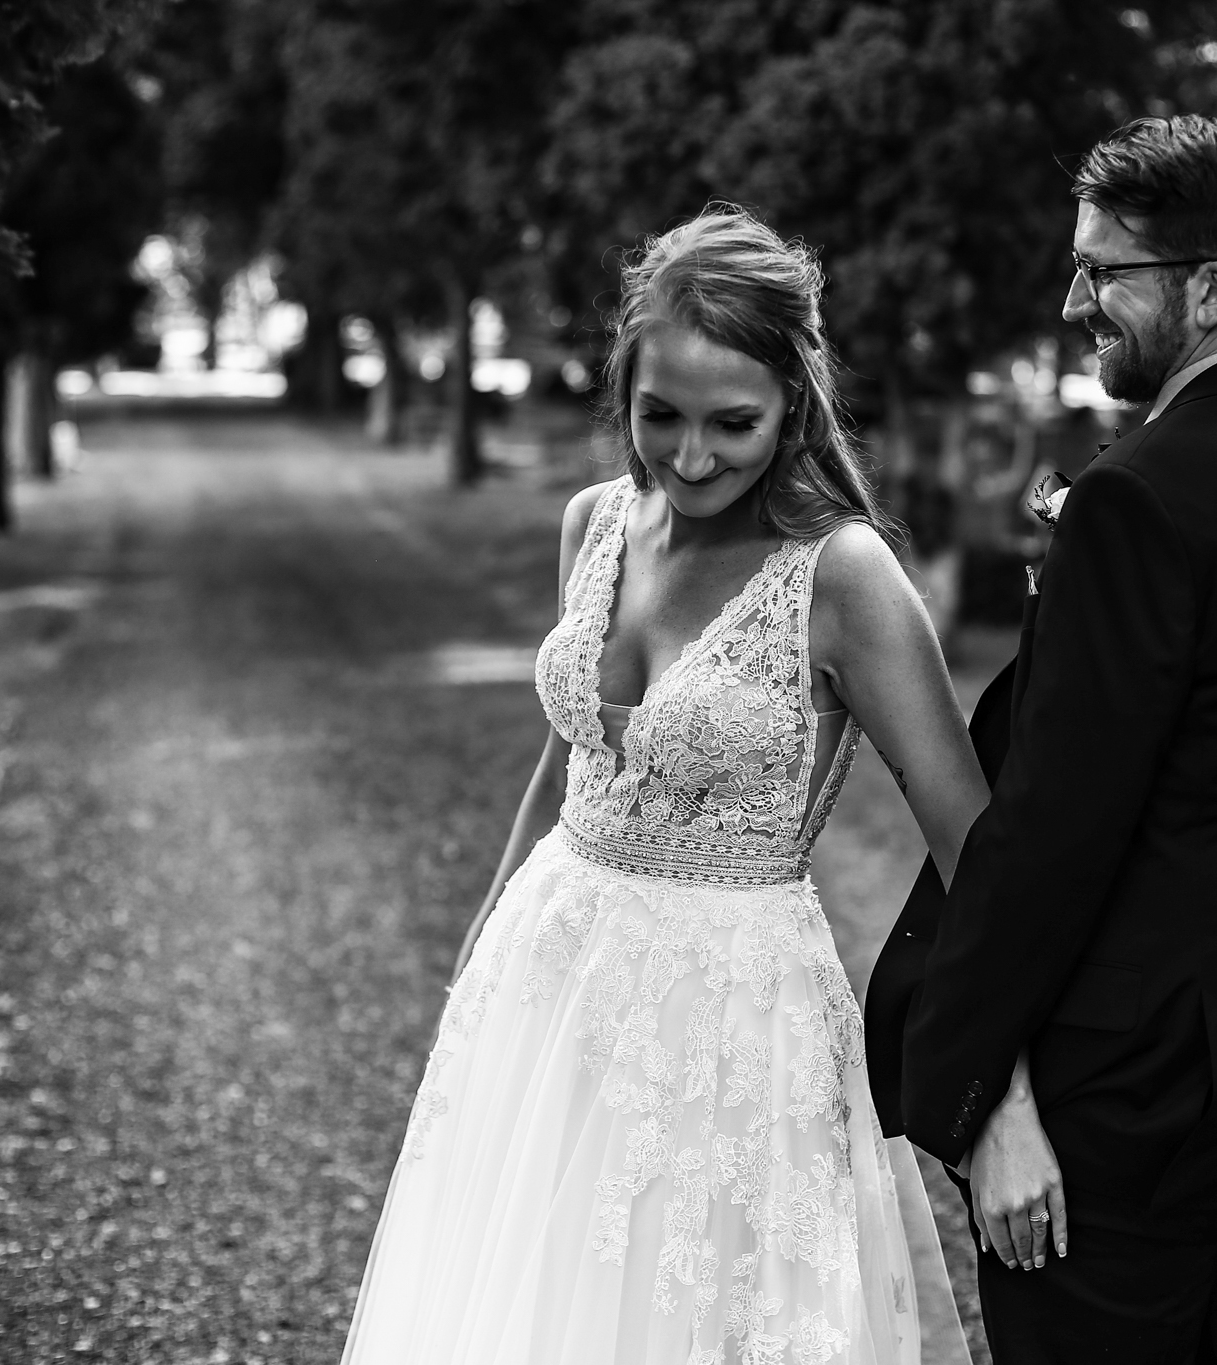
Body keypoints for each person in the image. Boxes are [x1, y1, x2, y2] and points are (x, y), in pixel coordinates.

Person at [339, 207, 990, 1365]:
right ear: (622, 394)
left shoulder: (839, 575)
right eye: (659, 418)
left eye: (731, 423)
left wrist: (1008, 1096)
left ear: (794, 400)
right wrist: (483, 946)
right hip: (550, 982)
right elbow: (570, 762)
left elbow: (971, 845)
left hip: (732, 1021)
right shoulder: (594, 521)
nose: (689, 458)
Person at [869, 116, 1217, 1363]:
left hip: (1128, 1113)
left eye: (1105, 273)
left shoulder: (1137, 498)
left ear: (1213, 289)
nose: (1075, 302)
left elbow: (1057, 831)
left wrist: (975, 1091)